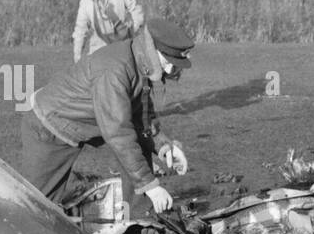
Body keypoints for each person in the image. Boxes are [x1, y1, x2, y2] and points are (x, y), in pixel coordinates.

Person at [22, 17, 194, 217]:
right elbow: (118, 133)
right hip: (48, 126)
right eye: (171, 63)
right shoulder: (115, 70)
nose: (174, 71)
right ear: (155, 52)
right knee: (36, 206)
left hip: (78, 125)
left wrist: (164, 147)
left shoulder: (139, 61)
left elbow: (142, 115)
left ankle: (139, 220)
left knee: (139, 143)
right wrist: (151, 186)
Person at [73, 0, 145, 63]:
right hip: (99, 48)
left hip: (122, 45)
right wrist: (78, 55)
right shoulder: (85, 2)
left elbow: (136, 9)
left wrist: (134, 28)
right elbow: (80, 30)